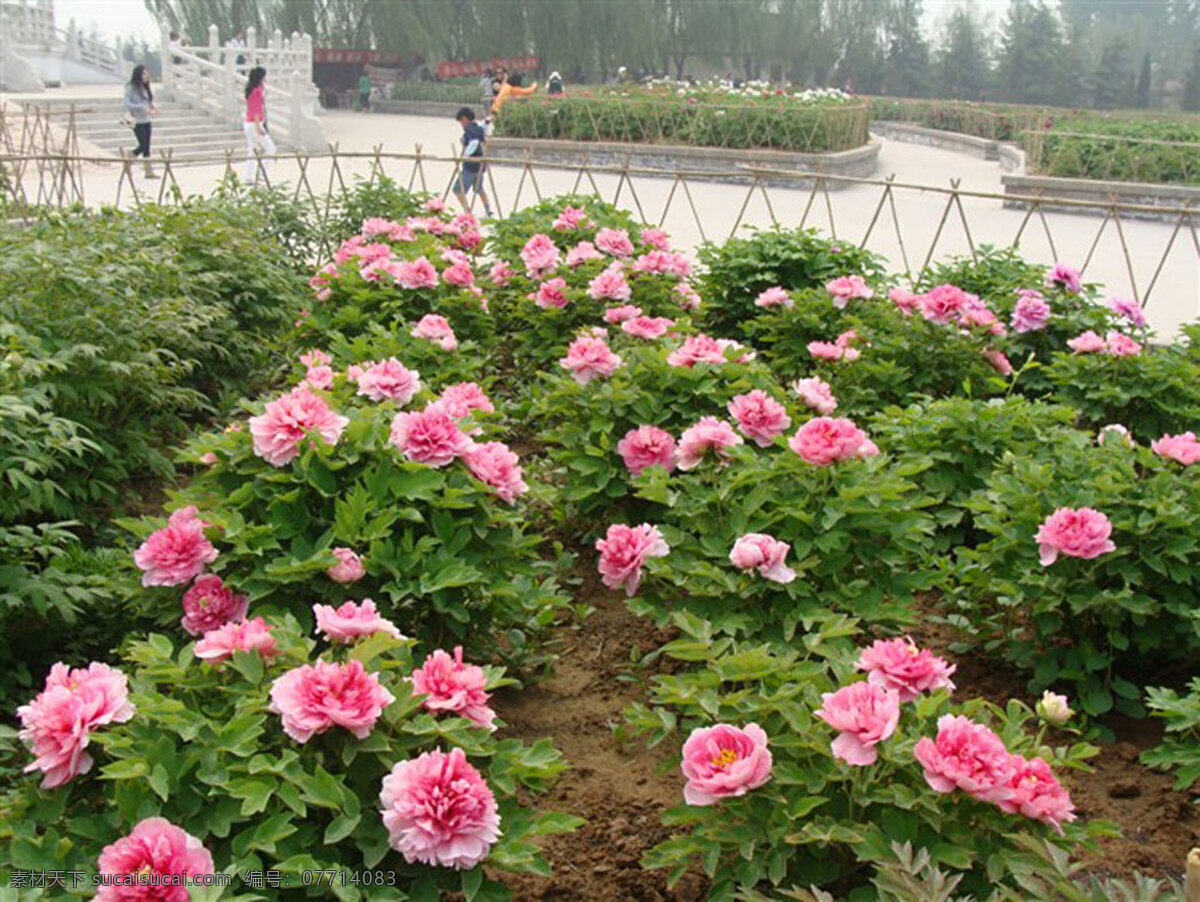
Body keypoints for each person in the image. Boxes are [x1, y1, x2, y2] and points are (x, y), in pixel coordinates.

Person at [452, 106, 493, 218]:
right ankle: (488, 211)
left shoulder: (469, 129)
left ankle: (467, 212)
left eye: (461, 121)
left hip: (470, 166)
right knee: (478, 188)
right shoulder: (478, 128)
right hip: (480, 165)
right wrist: (486, 122)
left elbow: (474, 142)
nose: (461, 124)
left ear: (464, 119)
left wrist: (465, 155)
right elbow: (483, 133)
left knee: (457, 190)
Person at [242, 66, 276, 183]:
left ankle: (248, 177)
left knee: (252, 150)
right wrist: (258, 126)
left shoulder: (253, 90)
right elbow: (255, 109)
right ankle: (262, 173)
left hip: (248, 123)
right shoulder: (256, 91)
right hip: (255, 123)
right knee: (271, 148)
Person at [124, 64, 158, 179]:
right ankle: (129, 159)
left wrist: (152, 107)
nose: (146, 76)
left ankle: (149, 171)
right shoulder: (131, 87)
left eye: (147, 74)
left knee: (147, 146)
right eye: (144, 74)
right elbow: (127, 103)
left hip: (147, 120)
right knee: (142, 145)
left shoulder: (146, 88)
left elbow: (148, 101)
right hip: (137, 120)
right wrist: (141, 107)